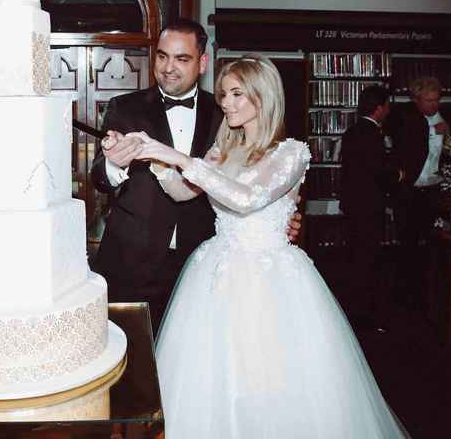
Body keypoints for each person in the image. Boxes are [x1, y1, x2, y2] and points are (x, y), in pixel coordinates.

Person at [128, 57, 408, 437]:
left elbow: (246, 198)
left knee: (269, 378)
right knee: (214, 378)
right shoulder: (221, 150)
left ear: (262, 97)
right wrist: (153, 159)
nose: (225, 102)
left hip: (270, 280)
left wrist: (176, 157)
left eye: (236, 94)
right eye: (224, 93)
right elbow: (181, 192)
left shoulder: (291, 153)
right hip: (217, 274)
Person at [90, 18, 300, 330]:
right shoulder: (124, 107)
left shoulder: (227, 116)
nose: (168, 67)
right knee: (129, 360)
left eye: (181, 58)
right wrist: (117, 164)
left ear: (202, 63)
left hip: (203, 264)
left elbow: (258, 179)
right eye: (162, 56)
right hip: (132, 262)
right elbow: (100, 177)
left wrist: (282, 215)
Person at [340, 85, 401, 332]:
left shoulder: (352, 131)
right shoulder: (373, 134)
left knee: (356, 255)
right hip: (369, 205)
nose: (388, 110)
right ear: (379, 108)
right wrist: (397, 174)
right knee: (368, 258)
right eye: (387, 105)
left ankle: (354, 307)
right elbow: (377, 171)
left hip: (354, 204)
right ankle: (363, 314)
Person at [389, 76, 448, 315]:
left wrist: (448, 133)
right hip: (410, 190)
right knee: (407, 243)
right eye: (428, 100)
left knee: (431, 243)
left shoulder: (446, 117)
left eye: (436, 100)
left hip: (434, 189)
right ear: (415, 99)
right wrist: (434, 130)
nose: (433, 105)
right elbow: (406, 137)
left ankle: (427, 292)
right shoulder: (404, 115)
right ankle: (404, 294)